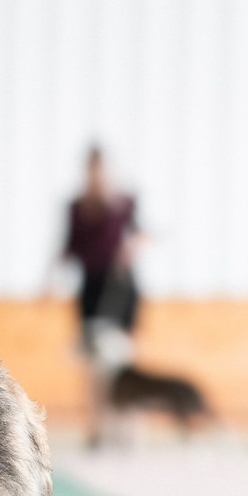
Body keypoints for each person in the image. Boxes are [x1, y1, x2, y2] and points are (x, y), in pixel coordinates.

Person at [61, 146, 140, 446]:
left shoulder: (126, 204)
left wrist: (133, 246)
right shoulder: (76, 207)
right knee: (93, 364)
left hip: (120, 289)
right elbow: (68, 244)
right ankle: (96, 429)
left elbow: (139, 234)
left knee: (123, 360)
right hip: (92, 291)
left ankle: (126, 428)